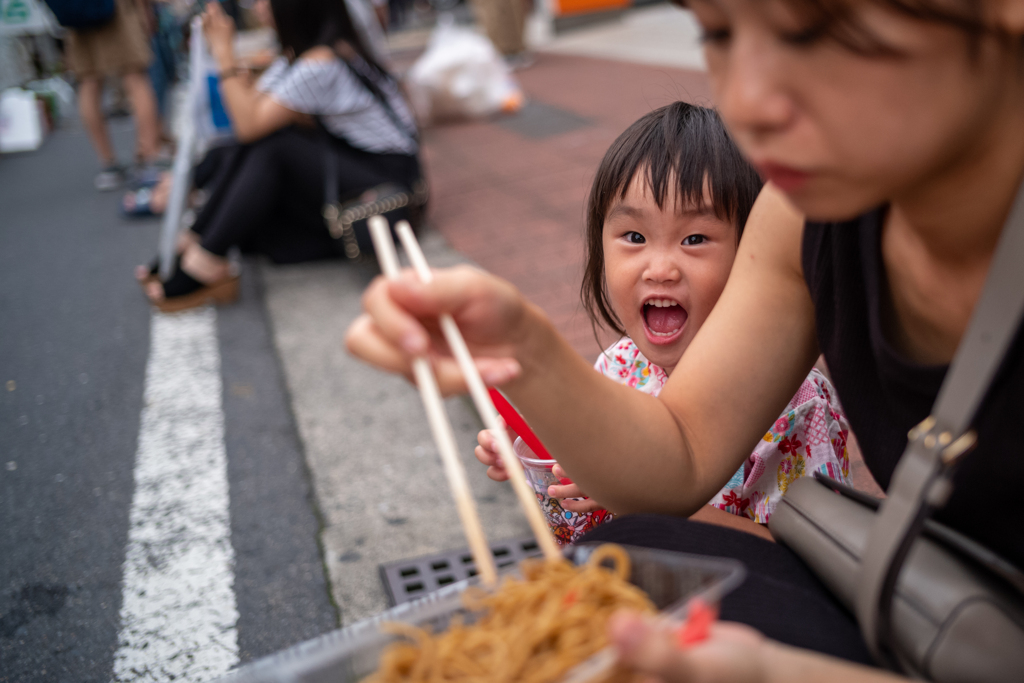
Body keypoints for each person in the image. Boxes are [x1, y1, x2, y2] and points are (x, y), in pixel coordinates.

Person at [345, 0, 1024, 678]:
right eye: (719, 33)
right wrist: (523, 346)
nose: (749, 103)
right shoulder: (797, 219)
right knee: (628, 552)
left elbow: (782, 531)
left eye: (809, 28)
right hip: (946, 618)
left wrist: (773, 672)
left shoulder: (803, 377)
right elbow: (681, 448)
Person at [475, 102, 851, 538]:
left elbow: (816, 566)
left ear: (754, 253)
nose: (660, 269)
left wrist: (644, 500)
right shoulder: (619, 368)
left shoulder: (797, 404)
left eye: (695, 239)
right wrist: (542, 456)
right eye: (634, 237)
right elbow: (578, 515)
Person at [140, 0, 423, 312]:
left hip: (389, 179)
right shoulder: (300, 55)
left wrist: (224, 53)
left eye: (265, 1)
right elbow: (247, 118)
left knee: (274, 147)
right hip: (354, 161)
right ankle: (198, 240)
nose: (258, 8)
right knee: (244, 145)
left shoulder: (321, 62)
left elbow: (248, 125)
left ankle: (207, 256)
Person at [63, 0, 162, 190]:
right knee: (135, 77)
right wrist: (144, 11)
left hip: (78, 14)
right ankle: (149, 158)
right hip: (118, 11)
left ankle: (108, 164)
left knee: (89, 82)